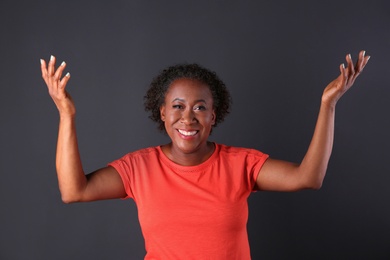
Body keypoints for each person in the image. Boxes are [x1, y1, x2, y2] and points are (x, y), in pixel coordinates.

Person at [40, 51, 370, 259]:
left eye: (200, 108)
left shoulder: (240, 164)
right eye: (178, 107)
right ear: (163, 114)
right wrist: (66, 115)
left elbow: (308, 178)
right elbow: (73, 191)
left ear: (214, 116)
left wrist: (328, 105)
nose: (188, 118)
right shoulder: (139, 167)